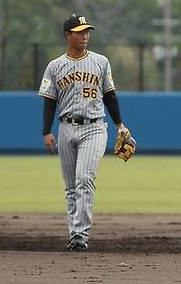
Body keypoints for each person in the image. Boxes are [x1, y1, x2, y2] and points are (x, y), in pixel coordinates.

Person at [38, 14, 129, 251]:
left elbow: (110, 96)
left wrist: (120, 125)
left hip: (95, 127)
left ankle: (80, 234)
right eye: (80, 32)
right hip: (66, 127)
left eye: (87, 31)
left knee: (84, 179)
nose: (85, 35)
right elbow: (49, 100)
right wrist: (46, 131)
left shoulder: (100, 62)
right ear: (68, 35)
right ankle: (74, 233)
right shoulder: (55, 66)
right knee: (70, 186)